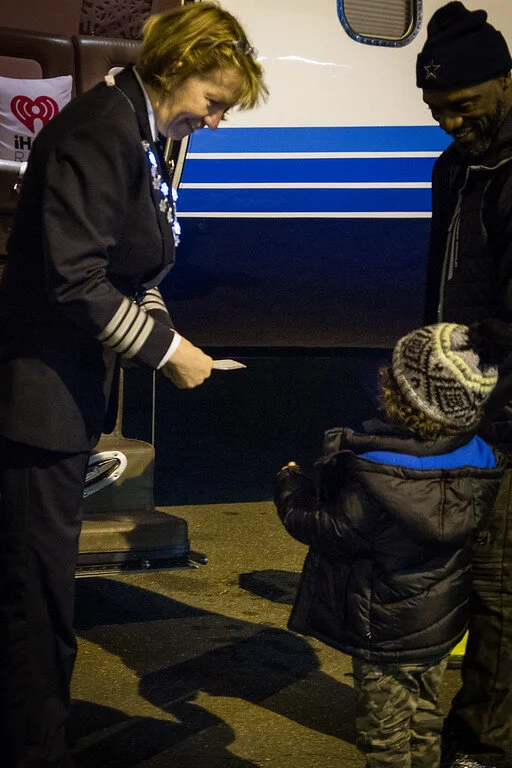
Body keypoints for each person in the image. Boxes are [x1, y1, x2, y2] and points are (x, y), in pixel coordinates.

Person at [0, 3, 267, 766]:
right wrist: (167, 352)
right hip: (37, 400)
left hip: (64, 395)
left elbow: (133, 268)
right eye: (213, 102)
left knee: (43, 593)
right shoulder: (100, 132)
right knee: (35, 603)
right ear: (176, 69)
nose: (214, 121)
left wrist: (166, 331)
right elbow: (75, 279)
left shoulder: (137, 132)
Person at [275, 322, 506, 768]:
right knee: (424, 720)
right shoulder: (481, 462)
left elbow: (329, 530)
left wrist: (290, 486)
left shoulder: (377, 473)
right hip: (441, 626)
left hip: (385, 630)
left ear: (401, 396)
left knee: (384, 739)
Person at [416, 3, 512, 766]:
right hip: (463, 399)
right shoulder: (454, 166)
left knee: (497, 584)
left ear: (507, 81)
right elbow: (442, 283)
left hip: (504, 406)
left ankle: (483, 744)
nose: (451, 123)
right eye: (437, 109)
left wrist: (468, 369)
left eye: (464, 105)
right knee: (462, 570)